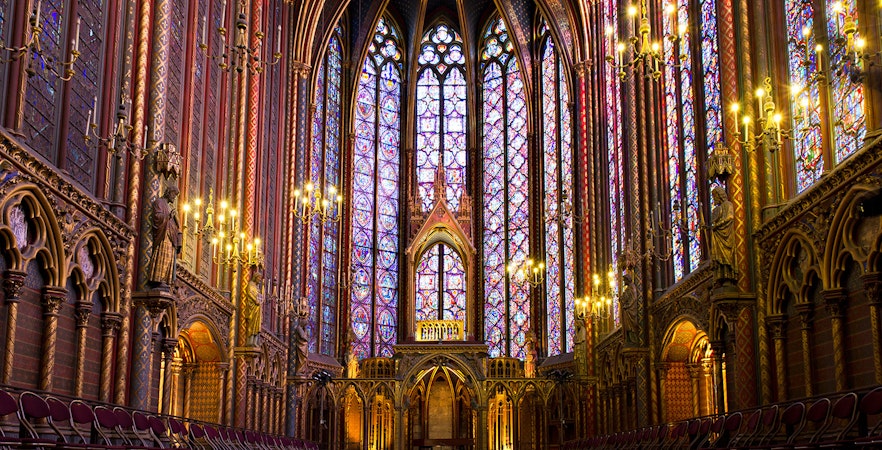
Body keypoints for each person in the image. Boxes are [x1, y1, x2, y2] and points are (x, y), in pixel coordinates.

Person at [146, 185, 182, 288]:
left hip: (171, 236)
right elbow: (157, 216)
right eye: (173, 195)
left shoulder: (169, 206)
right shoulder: (159, 202)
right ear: (168, 192)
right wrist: (169, 215)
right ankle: (158, 278)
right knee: (162, 255)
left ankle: (165, 279)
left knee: (169, 258)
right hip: (163, 235)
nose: (174, 197)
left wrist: (175, 218)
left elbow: (176, 225)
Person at [710, 186, 737, 285]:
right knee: (719, 257)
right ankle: (720, 277)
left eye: (715, 196)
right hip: (718, 235)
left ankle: (728, 277)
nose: (714, 199)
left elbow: (730, 217)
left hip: (726, 234)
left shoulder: (728, 204)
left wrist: (718, 225)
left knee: (727, 256)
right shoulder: (718, 208)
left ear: (720, 195)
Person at [620, 269, 641, 346]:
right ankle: (629, 340)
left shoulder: (632, 287)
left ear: (627, 280)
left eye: (624, 280)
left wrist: (628, 305)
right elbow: (625, 297)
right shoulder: (628, 288)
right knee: (627, 327)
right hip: (627, 310)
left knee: (631, 326)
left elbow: (634, 298)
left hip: (631, 310)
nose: (623, 282)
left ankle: (633, 340)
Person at [242, 268, 263, 346]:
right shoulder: (251, 284)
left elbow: (259, 296)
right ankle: (250, 341)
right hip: (252, 307)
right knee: (251, 323)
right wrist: (255, 300)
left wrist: (260, 300)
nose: (260, 280)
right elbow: (250, 293)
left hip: (257, 308)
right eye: (259, 278)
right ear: (255, 277)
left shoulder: (257, 287)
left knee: (257, 325)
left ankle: (254, 341)